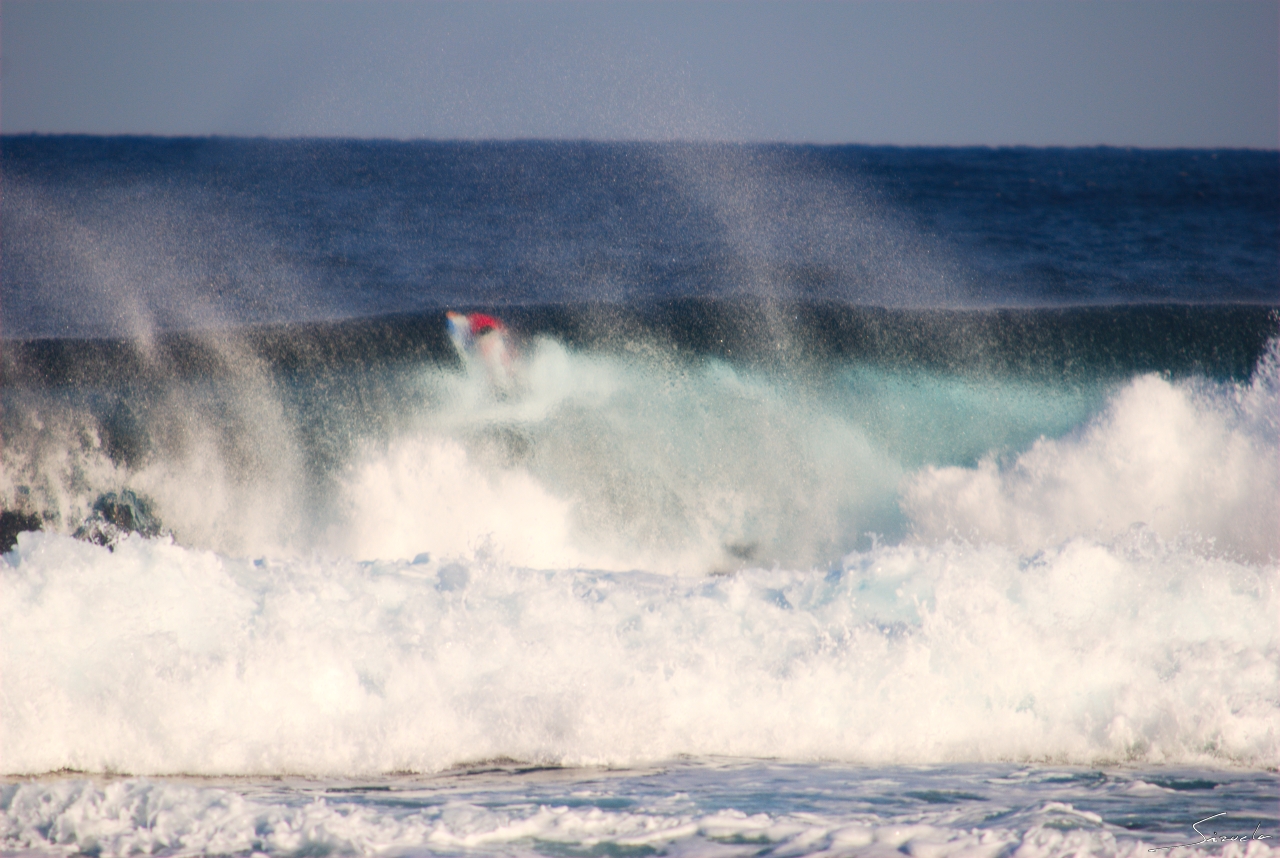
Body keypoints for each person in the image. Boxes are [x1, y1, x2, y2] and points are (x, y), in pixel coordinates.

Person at [446, 311, 516, 389]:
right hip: (492, 334)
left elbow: (451, 315)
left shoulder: (472, 319)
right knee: (502, 360)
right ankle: (510, 379)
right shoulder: (489, 320)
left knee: (490, 365)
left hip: (484, 335)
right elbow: (503, 330)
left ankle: (497, 385)